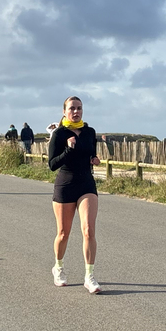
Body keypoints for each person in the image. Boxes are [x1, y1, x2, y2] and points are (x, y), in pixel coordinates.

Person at [48, 96, 102, 294]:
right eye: (72, 108)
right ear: (64, 112)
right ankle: (58, 267)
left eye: (79, 108)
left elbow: (90, 153)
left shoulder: (89, 132)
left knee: (88, 230)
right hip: (65, 185)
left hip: (86, 183)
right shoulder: (59, 134)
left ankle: (89, 276)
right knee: (63, 233)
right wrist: (68, 149)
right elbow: (52, 164)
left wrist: (94, 159)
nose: (76, 111)